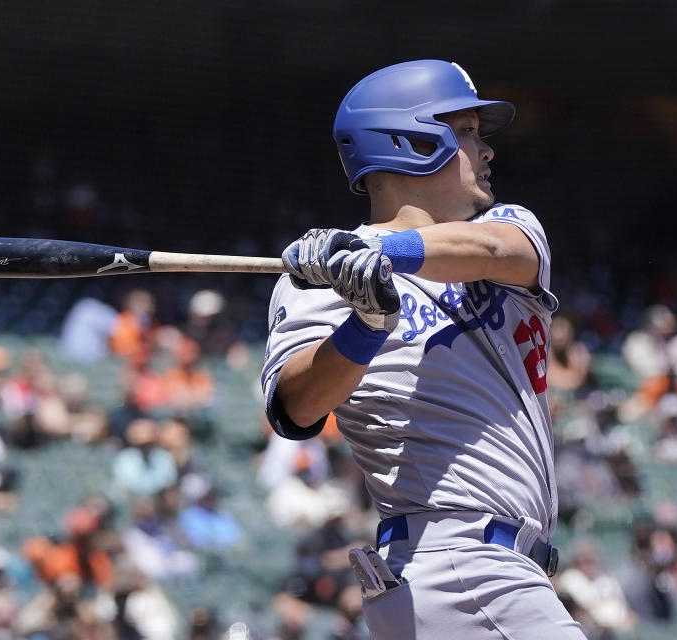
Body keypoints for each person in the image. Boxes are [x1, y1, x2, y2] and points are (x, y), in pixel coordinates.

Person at [261, 60, 583, 639]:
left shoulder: (503, 226)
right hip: (458, 561)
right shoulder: (320, 280)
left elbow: (494, 248)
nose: (485, 151)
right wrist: (364, 323)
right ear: (409, 141)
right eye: (466, 131)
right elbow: (296, 408)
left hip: (480, 575)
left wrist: (388, 253)